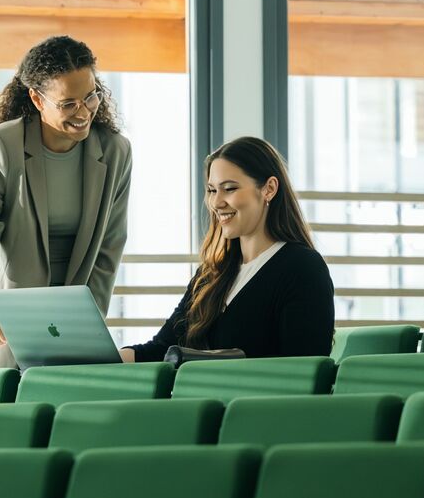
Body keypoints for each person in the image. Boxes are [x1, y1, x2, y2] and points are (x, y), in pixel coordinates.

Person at [0, 35, 132, 369]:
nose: (84, 112)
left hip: (68, 313)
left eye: (90, 97)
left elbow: (109, 247)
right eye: (68, 104)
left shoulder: (115, 152)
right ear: (36, 98)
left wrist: (86, 325)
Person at [120, 137, 333, 362]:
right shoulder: (212, 272)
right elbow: (161, 349)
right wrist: (100, 358)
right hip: (197, 397)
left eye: (229, 189)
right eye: (212, 190)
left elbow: (305, 370)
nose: (216, 202)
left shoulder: (302, 267)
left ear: (269, 189)